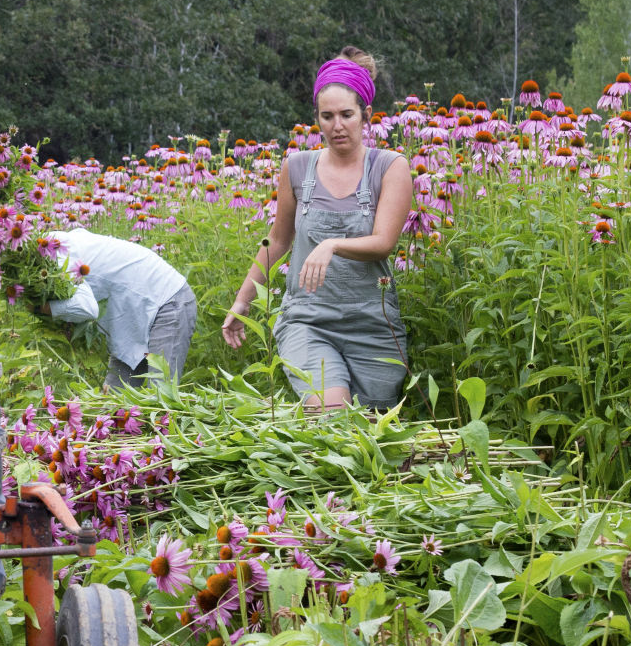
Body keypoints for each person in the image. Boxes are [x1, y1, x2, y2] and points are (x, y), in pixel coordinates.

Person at [221, 48, 412, 412]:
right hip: (309, 321)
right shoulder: (297, 168)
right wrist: (241, 302)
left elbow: (384, 243)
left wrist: (332, 245)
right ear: (316, 118)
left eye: (346, 115)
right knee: (330, 414)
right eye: (327, 116)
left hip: (372, 324)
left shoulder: (389, 167)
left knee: (371, 431)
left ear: (366, 116)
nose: (336, 126)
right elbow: (277, 241)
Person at [45, 229, 198, 389]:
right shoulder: (57, 244)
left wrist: (45, 308)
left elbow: (87, 308)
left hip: (166, 301)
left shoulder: (56, 251)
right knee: (114, 406)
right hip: (133, 320)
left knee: (162, 395)